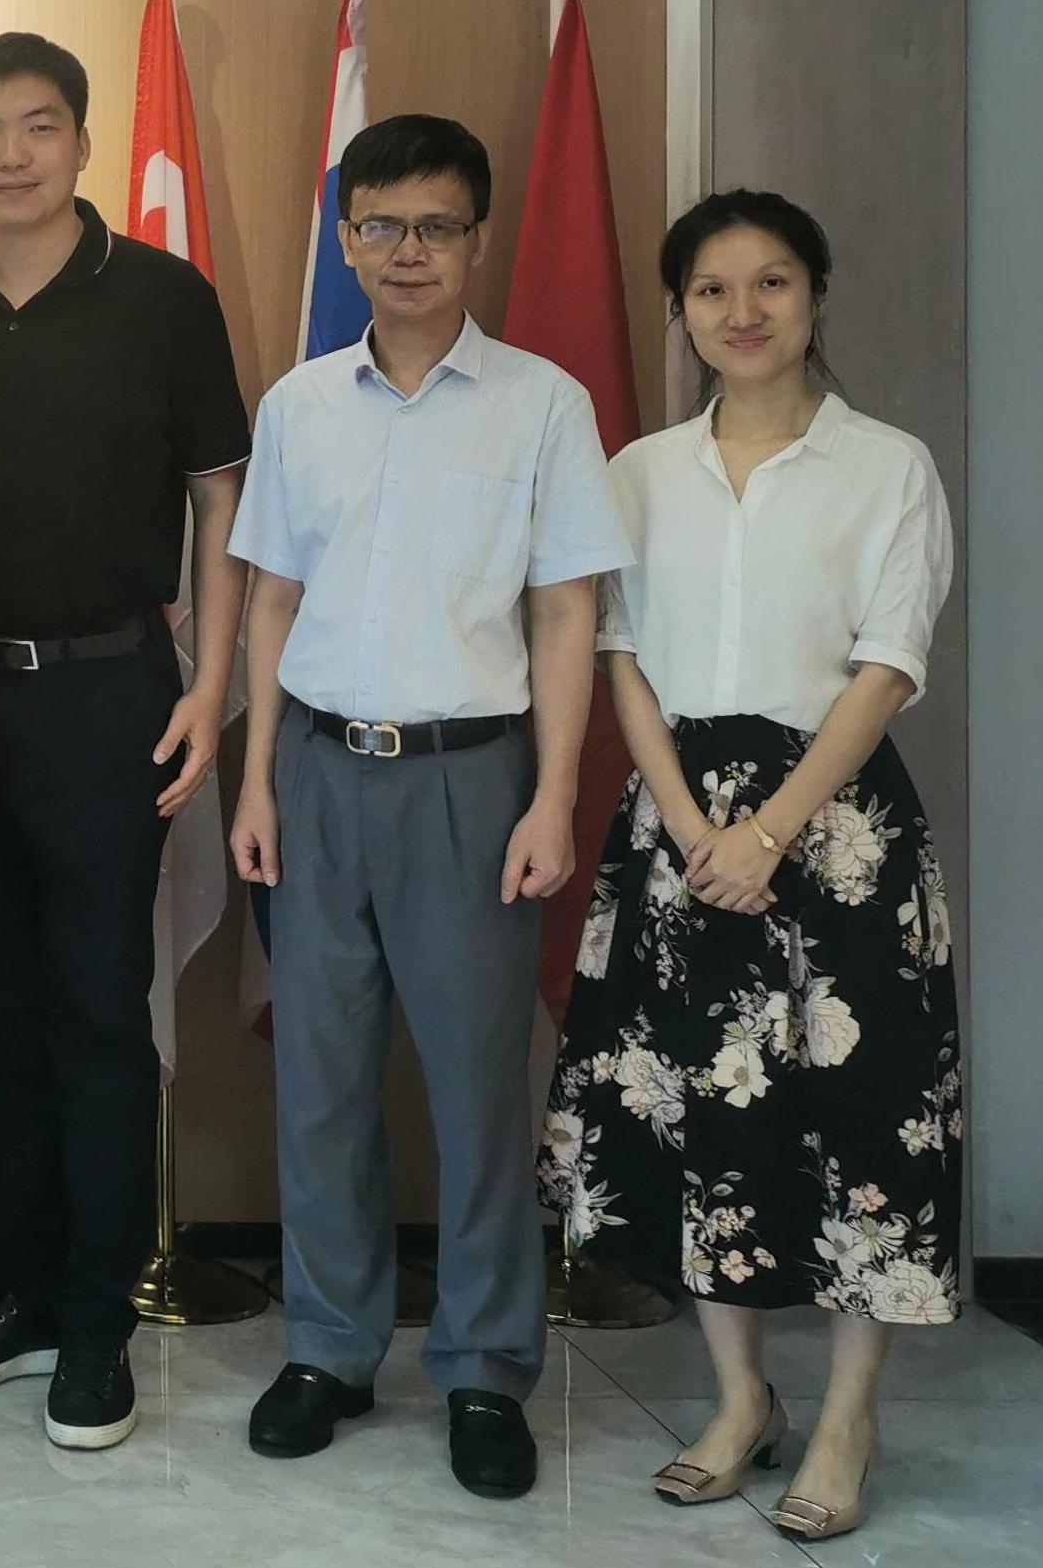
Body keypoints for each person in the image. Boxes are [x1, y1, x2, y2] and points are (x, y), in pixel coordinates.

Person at [541, 191, 957, 1544]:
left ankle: (846, 1417)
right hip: (679, 829)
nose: (743, 310)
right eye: (712, 288)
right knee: (708, 1117)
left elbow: (887, 665)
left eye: (771, 281)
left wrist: (769, 828)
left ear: (814, 294)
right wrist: (683, 823)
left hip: (835, 831)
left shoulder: (886, 466)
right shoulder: (636, 472)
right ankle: (738, 1401)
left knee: (862, 1119)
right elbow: (619, 656)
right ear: (680, 310)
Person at [227, 113, 629, 1501]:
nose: (408, 251)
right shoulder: (298, 405)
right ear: (346, 240)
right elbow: (270, 598)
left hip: (472, 779)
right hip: (317, 773)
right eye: (382, 225)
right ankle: (329, 1348)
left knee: (475, 1087)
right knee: (319, 1082)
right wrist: (256, 779)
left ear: (477, 238)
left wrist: (553, 796)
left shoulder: (542, 404)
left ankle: (481, 1365)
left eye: (437, 226)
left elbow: (565, 609)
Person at [0, 33, 252, 1450]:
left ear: (83, 144)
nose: (11, 154)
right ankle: (18, 1293)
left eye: (39, 125)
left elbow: (219, 498)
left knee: (99, 1011)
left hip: (109, 695)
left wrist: (208, 683)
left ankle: (97, 1325)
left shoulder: (162, 296)